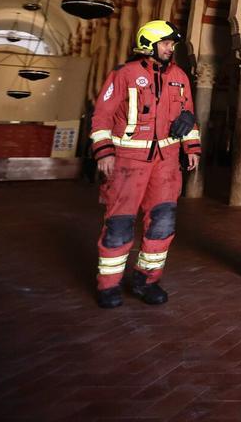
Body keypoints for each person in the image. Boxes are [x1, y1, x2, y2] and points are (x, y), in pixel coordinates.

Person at [89, 20, 201, 309]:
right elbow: (102, 115)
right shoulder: (124, 74)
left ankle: (147, 280)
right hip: (128, 162)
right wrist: (104, 152)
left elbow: (188, 115)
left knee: (162, 223)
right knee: (120, 224)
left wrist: (191, 147)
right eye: (165, 43)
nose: (170, 48)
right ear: (149, 44)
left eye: (171, 44)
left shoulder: (180, 76)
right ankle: (109, 285)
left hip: (166, 164)